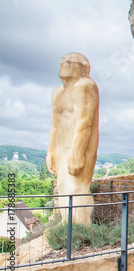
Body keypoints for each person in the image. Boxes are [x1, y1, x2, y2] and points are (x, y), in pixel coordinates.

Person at [46, 52, 99, 225]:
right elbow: (54, 125)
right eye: (63, 60)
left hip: (80, 147)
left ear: (83, 68)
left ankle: (80, 227)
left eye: (71, 62)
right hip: (62, 147)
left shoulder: (85, 86)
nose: (65, 63)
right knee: (62, 186)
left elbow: (85, 122)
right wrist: (51, 152)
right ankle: (67, 225)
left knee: (77, 187)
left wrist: (77, 152)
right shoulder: (57, 92)